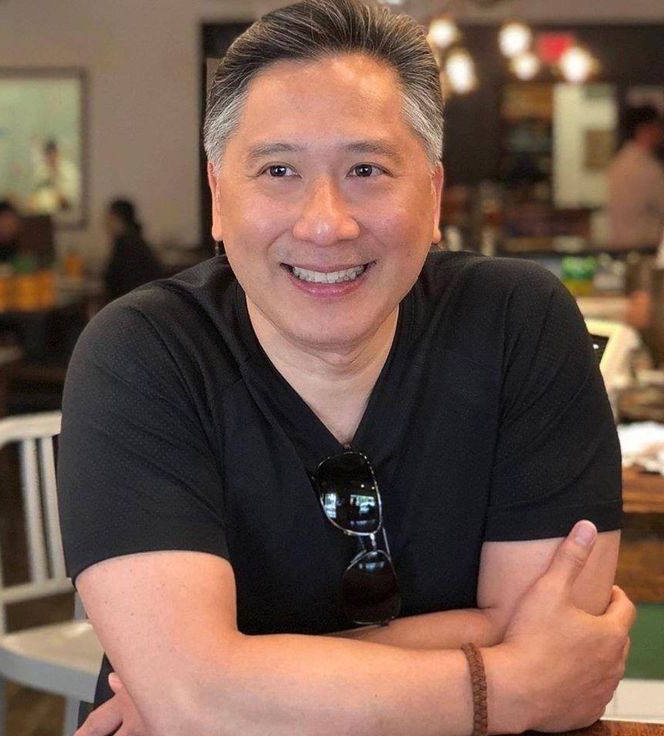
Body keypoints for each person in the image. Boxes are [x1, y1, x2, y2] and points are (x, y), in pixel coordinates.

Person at [58, 1, 634, 734]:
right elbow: (192, 697)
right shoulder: (144, 354)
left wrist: (228, 688)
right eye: (278, 170)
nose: (326, 223)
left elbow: (196, 699)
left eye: (366, 168)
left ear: (432, 194)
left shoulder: (518, 323)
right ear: (219, 197)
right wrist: (512, 683)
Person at [607, 104, 664, 248]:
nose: (660, 132)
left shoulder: (619, 162)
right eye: (657, 126)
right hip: (645, 247)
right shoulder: (648, 167)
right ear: (645, 129)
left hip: (619, 245)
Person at [103, 198, 166, 301]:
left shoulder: (125, 244)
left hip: (132, 302)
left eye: (108, 219)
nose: (106, 224)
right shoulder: (136, 240)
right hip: (146, 300)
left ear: (117, 219)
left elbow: (113, 281)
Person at [29, 138, 81, 215]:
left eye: (53, 153)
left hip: (65, 211)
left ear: (58, 153)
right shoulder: (41, 171)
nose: (51, 157)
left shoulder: (69, 171)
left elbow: (73, 196)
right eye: (48, 154)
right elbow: (35, 192)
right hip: (42, 213)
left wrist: (58, 196)